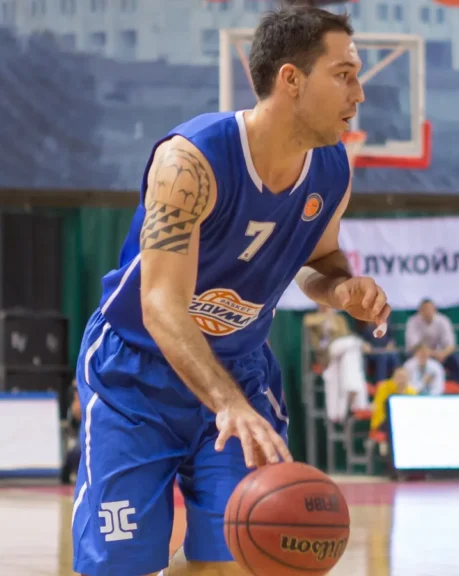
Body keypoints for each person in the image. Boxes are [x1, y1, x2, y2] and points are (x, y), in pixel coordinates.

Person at [71, 8, 390, 576]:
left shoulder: (332, 170)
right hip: (136, 374)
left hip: (239, 371)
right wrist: (229, 407)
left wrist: (344, 290)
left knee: (242, 558)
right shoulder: (189, 162)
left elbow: (318, 264)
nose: (359, 93)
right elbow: (160, 304)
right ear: (291, 79)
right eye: (343, 74)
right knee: (119, 567)